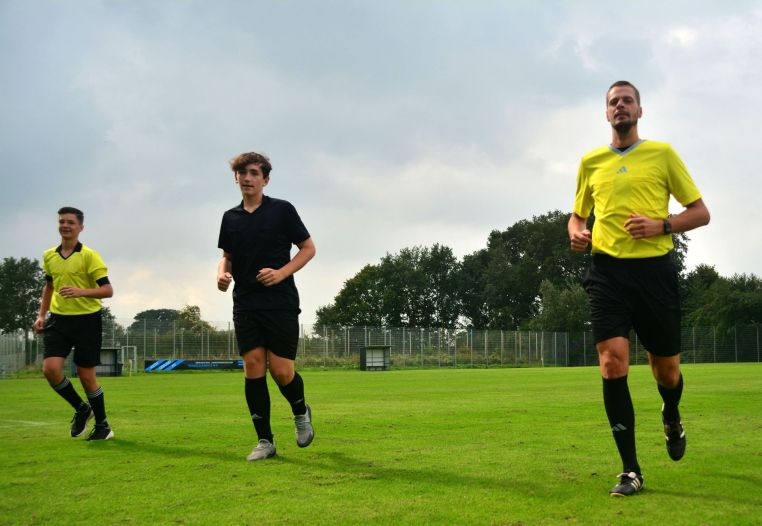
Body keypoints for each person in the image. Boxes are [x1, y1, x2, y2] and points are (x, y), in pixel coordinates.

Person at [568, 81, 710, 496]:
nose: (620, 107)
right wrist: (578, 233)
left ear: (640, 111)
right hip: (607, 275)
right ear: (606, 113)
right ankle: (630, 469)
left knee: (666, 371)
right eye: (613, 102)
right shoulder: (590, 162)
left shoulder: (662, 154)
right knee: (612, 362)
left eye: (627, 100)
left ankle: (671, 412)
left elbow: (700, 213)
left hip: (655, 274)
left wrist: (661, 225)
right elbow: (576, 217)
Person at [217, 151, 316, 461]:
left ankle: (300, 411)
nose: (247, 178)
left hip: (280, 302)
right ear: (236, 177)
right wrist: (222, 274)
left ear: (265, 179)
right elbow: (228, 255)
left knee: (282, 371)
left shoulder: (282, 211)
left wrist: (282, 272)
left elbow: (308, 248)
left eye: (254, 173)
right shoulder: (229, 218)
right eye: (242, 173)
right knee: (253, 367)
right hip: (245, 302)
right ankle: (265, 441)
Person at [33, 207, 115, 441]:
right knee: (50, 370)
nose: (65, 225)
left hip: (87, 321)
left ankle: (103, 426)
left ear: (80, 227)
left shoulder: (89, 255)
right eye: (61, 221)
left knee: (86, 375)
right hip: (58, 319)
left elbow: (108, 290)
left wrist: (81, 291)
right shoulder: (49, 255)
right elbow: (49, 286)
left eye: (70, 222)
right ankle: (81, 409)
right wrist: (41, 316)